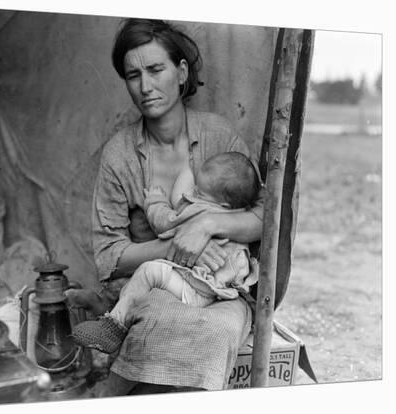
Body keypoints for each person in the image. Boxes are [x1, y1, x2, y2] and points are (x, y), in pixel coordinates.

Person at [86, 18, 264, 393]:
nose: (145, 86)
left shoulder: (218, 136)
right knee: (158, 323)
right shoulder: (120, 154)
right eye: (133, 75)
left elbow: (265, 218)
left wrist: (207, 226)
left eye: (155, 69)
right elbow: (108, 256)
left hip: (222, 290)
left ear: (181, 72)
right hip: (157, 287)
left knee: (216, 332)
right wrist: (177, 243)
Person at [73, 152, 260, 353]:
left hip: (198, 290)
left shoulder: (200, 212)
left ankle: (112, 328)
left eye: (200, 193)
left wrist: (154, 200)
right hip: (221, 290)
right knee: (144, 286)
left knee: (148, 272)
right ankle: (107, 310)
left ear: (222, 204)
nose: (193, 194)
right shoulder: (240, 216)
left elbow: (164, 221)